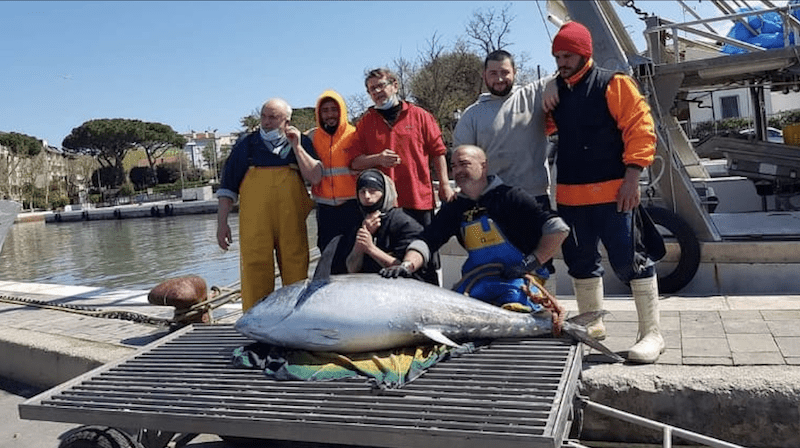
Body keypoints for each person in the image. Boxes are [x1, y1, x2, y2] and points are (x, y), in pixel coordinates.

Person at [544, 21, 664, 363]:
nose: (562, 62)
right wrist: (545, 90)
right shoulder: (557, 92)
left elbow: (641, 128)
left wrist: (633, 176)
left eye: (568, 55)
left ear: (585, 53)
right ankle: (594, 327)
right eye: (557, 56)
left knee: (632, 262)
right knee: (581, 264)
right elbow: (542, 125)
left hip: (616, 195)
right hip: (570, 198)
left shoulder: (615, 84)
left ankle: (652, 334)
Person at [381, 145, 569, 315]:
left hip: (520, 281)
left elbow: (558, 229)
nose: (458, 171)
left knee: (515, 305)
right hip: (478, 282)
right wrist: (406, 266)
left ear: (484, 165)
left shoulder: (511, 197)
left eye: (464, 164)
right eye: (454, 166)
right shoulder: (454, 208)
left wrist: (530, 263)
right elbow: (427, 241)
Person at [453, 49, 557, 282]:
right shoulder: (472, 115)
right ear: (484, 76)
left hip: (534, 199)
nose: (499, 78)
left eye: (504, 72)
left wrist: (553, 83)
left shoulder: (533, 95)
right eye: (493, 73)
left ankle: (549, 314)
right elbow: (462, 162)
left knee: (541, 265)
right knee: (499, 267)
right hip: (493, 205)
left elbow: (568, 71)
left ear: (515, 72)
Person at [345, 67, 456, 285]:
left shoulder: (421, 116)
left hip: (418, 200)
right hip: (385, 207)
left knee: (424, 256)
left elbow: (438, 152)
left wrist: (444, 184)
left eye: (381, 85)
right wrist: (377, 158)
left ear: (395, 86)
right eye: (371, 89)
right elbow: (354, 162)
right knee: (386, 261)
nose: (376, 92)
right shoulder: (366, 122)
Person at [217, 98, 321, 311]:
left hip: (291, 219)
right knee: (255, 268)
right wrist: (222, 224)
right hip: (255, 222)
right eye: (263, 116)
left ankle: (295, 318)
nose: (266, 122)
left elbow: (316, 177)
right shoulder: (246, 144)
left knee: (296, 267)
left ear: (287, 120)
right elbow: (227, 188)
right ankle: (256, 322)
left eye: (273, 117)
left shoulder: (301, 142)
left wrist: (297, 146)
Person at [335, 169, 426, 279]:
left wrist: (371, 249)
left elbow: (406, 270)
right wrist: (359, 246)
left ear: (384, 193)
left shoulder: (404, 223)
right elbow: (351, 269)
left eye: (373, 191)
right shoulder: (355, 223)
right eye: (362, 191)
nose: (367, 196)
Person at [308, 90, 362, 254]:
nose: (330, 114)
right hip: (325, 209)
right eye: (325, 110)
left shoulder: (355, 134)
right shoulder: (311, 137)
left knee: (355, 255)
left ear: (342, 111)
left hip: (353, 206)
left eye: (334, 109)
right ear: (319, 113)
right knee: (328, 255)